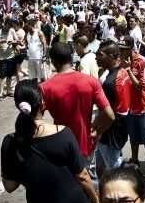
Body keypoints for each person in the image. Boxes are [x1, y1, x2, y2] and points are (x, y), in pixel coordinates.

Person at [0, 80, 100, 203]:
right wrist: (95, 201)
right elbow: (82, 176)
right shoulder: (64, 133)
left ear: (18, 106)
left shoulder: (9, 142)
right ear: (42, 104)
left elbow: (9, 186)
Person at [42, 42, 116, 188]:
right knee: (89, 180)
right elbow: (110, 115)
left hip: (60, 144)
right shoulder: (91, 82)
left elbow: (36, 120)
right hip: (85, 142)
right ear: (71, 58)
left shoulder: (45, 87)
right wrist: (98, 132)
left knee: (65, 184)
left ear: (53, 62)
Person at [118, 36, 145, 179]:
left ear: (130, 49)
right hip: (130, 106)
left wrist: (128, 70)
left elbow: (138, 86)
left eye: (123, 49)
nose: (120, 51)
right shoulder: (119, 60)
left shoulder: (142, 61)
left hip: (144, 105)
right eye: (119, 48)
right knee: (134, 136)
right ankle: (135, 160)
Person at [95, 40, 130, 174]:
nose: (97, 58)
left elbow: (107, 113)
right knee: (102, 165)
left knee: (114, 170)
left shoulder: (109, 83)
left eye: (100, 55)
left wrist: (96, 129)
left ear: (111, 56)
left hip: (110, 132)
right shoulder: (123, 73)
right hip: (121, 126)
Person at [0, 17, 18, 100]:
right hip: (2, 58)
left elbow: (17, 40)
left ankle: (8, 91)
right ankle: (1, 93)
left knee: (9, 75)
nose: (9, 27)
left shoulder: (12, 31)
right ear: (5, 24)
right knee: (2, 76)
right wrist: (1, 41)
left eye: (11, 26)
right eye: (9, 25)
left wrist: (13, 42)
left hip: (11, 56)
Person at [24, 18, 47, 83]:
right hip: (31, 58)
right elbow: (24, 43)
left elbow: (44, 43)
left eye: (27, 25)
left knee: (41, 75)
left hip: (38, 57)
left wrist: (44, 55)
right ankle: (34, 89)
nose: (26, 27)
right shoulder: (27, 34)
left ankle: (45, 87)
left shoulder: (39, 32)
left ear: (31, 25)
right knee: (33, 76)